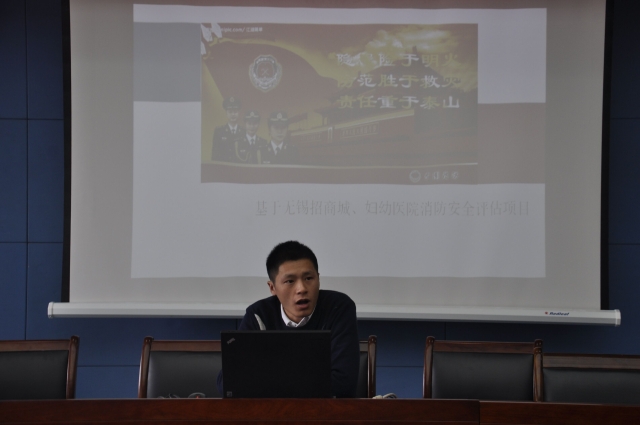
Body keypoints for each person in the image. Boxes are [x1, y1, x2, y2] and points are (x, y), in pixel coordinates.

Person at [216, 241, 359, 398]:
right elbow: (227, 383)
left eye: (309, 278)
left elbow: (343, 382)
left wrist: (270, 380)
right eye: (290, 281)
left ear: (318, 279)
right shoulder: (258, 315)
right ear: (273, 288)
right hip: (271, 412)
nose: (302, 289)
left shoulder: (338, 308)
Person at [212, 96, 243, 162]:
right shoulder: (219, 131)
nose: (233, 114)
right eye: (230, 112)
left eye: (235, 112)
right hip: (223, 167)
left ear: (239, 113)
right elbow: (214, 155)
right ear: (226, 113)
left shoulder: (244, 131)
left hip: (239, 167)